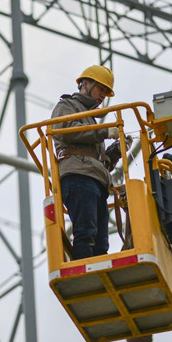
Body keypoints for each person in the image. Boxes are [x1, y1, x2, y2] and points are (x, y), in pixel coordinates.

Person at [51, 65, 121, 260]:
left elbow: (97, 161)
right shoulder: (67, 106)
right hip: (78, 176)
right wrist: (104, 132)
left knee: (101, 242)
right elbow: (68, 130)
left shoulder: (90, 118)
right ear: (86, 84)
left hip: (94, 179)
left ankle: (97, 272)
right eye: (101, 89)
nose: (103, 96)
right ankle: (83, 268)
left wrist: (115, 152)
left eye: (107, 92)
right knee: (85, 232)